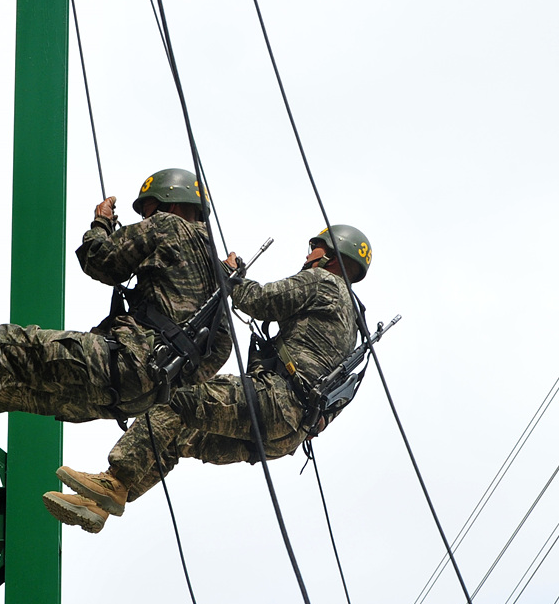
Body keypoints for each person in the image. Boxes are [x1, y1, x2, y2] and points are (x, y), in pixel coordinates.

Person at [42, 224, 372, 533]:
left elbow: (259, 301)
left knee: (173, 400)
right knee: (180, 434)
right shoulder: (354, 326)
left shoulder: (323, 282)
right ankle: (103, 501)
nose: (308, 256)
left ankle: (114, 481)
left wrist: (228, 274)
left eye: (314, 249)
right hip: (288, 434)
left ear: (333, 256)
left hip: (273, 401)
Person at [0, 167, 232, 421]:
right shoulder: (221, 283)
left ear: (174, 205)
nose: (148, 217)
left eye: (152, 209)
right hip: (133, 399)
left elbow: (100, 261)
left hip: (123, 359)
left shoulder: (169, 228)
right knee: (14, 390)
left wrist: (100, 224)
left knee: (16, 347)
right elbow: (217, 353)